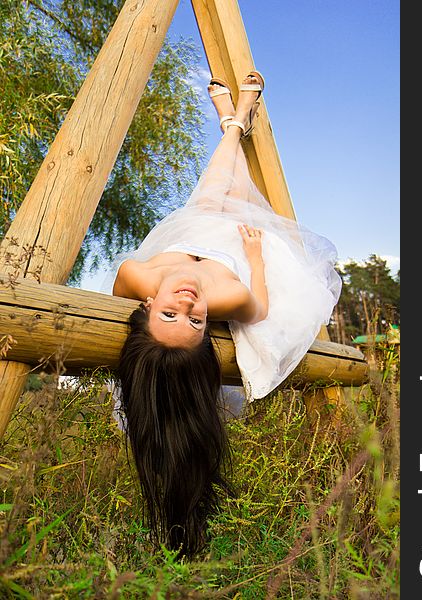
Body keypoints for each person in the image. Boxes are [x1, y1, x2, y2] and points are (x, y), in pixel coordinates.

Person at [103, 72, 342, 556]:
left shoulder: (135, 275)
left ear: (146, 308)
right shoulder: (225, 301)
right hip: (231, 247)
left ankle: (232, 124)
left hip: (186, 232)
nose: (189, 305)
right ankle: (235, 122)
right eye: (194, 323)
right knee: (230, 195)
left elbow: (138, 287)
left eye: (171, 314)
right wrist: (254, 258)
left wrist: (169, 280)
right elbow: (261, 307)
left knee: (212, 191)